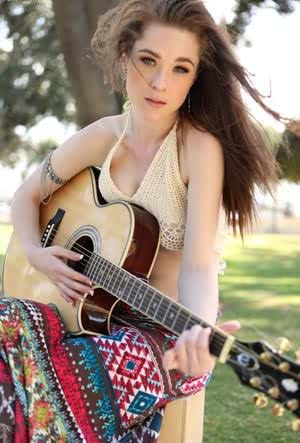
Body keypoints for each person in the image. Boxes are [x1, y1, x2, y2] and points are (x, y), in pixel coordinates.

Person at [1, 0, 288, 441]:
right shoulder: (103, 137)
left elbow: (198, 265)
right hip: (92, 313)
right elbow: (28, 194)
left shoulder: (198, 149)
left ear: (195, 79)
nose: (159, 82)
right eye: (148, 60)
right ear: (124, 58)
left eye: (180, 69)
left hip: (166, 331)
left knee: (72, 384)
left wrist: (198, 328)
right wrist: (38, 255)